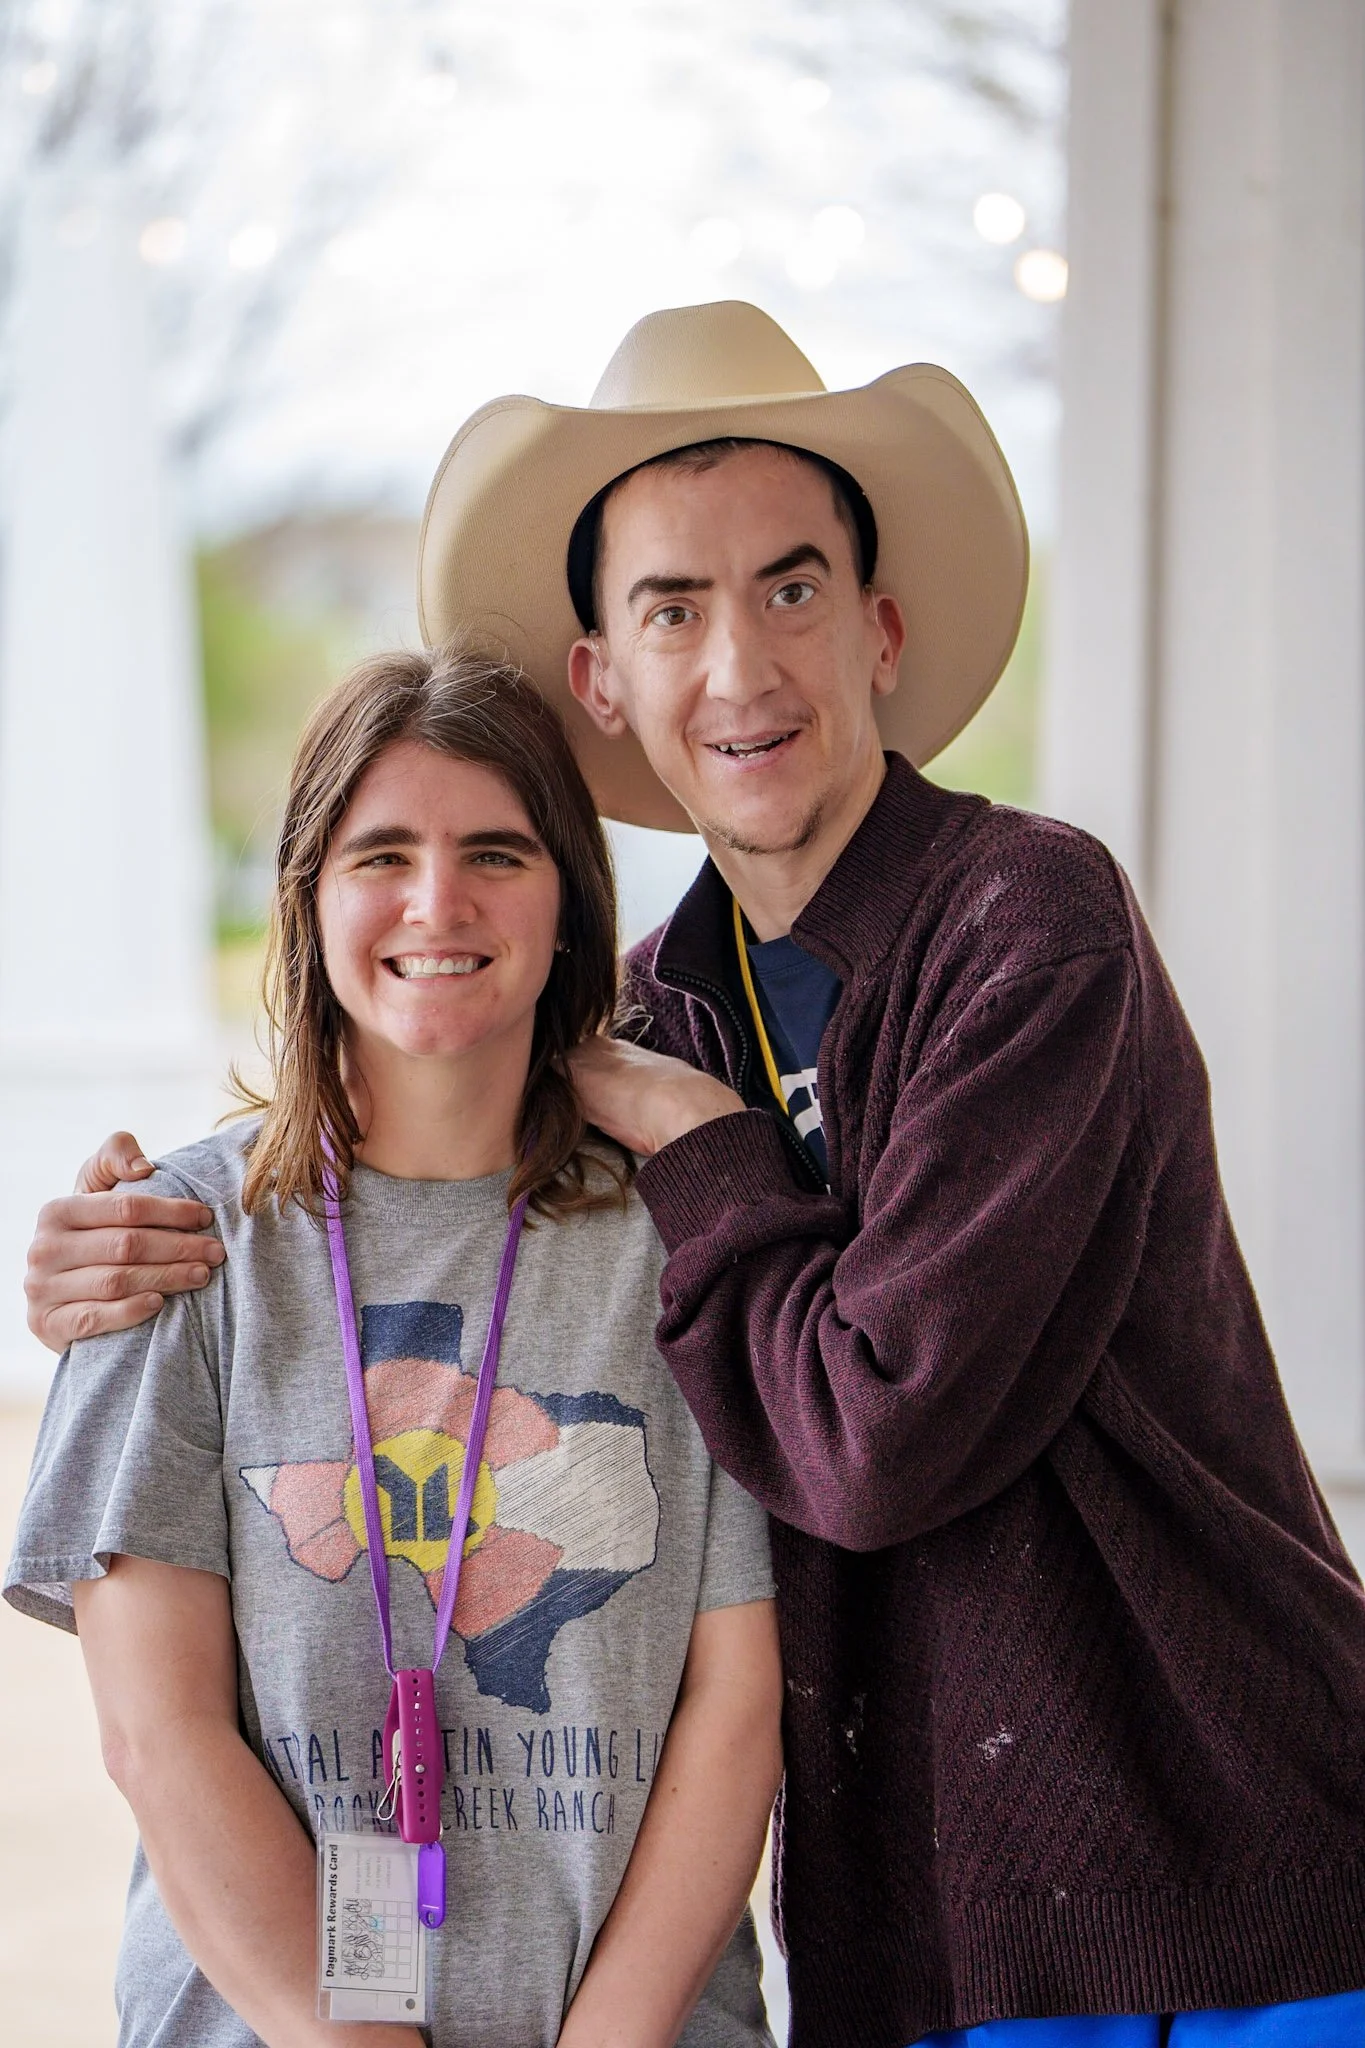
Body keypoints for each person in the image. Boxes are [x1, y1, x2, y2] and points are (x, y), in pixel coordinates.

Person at [24, 302, 1365, 2047]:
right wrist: (120, 1249)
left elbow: (876, 1434)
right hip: (913, 1919)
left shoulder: (1029, 925)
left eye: (791, 588)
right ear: (607, 678)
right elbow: (426, 1097)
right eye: (673, 607)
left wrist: (696, 1139)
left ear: (880, 628)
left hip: (1206, 1872)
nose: (740, 665)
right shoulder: (656, 1011)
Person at [6, 645, 782, 2048]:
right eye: (382, 855)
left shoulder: (683, 1250)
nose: (440, 902)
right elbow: (156, 1733)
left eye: (497, 851)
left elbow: (738, 1707)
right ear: (307, 898)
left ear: (570, 906)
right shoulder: (177, 1247)